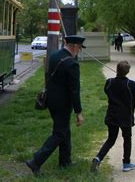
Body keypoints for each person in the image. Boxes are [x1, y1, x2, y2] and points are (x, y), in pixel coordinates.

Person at [25, 35, 86, 176]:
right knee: (59, 133)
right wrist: (79, 112)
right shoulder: (72, 64)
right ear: (75, 46)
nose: (80, 51)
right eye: (80, 48)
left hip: (51, 100)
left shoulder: (54, 56)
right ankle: (36, 161)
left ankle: (65, 161)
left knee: (64, 130)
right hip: (62, 104)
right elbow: (74, 91)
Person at [90, 60, 135, 173]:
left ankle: (98, 158)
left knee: (111, 139)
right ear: (128, 71)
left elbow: (107, 91)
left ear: (117, 69)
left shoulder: (109, 82)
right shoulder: (131, 85)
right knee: (127, 139)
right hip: (125, 118)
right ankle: (126, 163)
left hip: (112, 116)